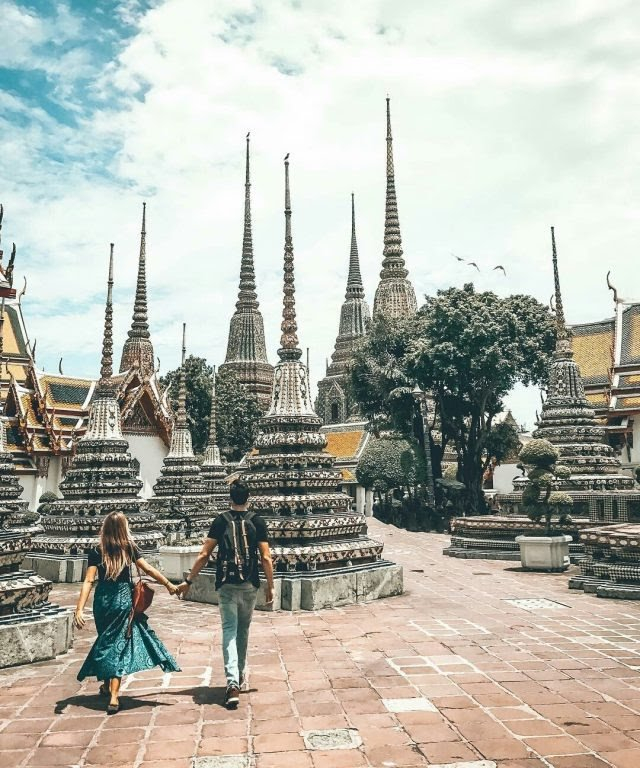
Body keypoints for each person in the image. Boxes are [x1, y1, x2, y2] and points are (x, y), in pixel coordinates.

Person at [176, 479, 274, 710]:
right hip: (250, 583)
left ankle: (232, 683)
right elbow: (266, 557)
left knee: (229, 630)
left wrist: (189, 581)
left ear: (230, 498)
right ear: (248, 498)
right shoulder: (257, 521)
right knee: (243, 630)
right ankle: (238, 677)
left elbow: (203, 554)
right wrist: (271, 585)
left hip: (226, 583)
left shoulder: (221, 521)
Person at [74, 511, 180, 714]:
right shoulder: (128, 548)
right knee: (116, 645)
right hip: (122, 599)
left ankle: (108, 687)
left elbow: (88, 580)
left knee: (108, 642)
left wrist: (79, 608)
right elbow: (148, 569)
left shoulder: (97, 550)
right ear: (123, 529)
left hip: (103, 601)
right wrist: (168, 584)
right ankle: (113, 695)